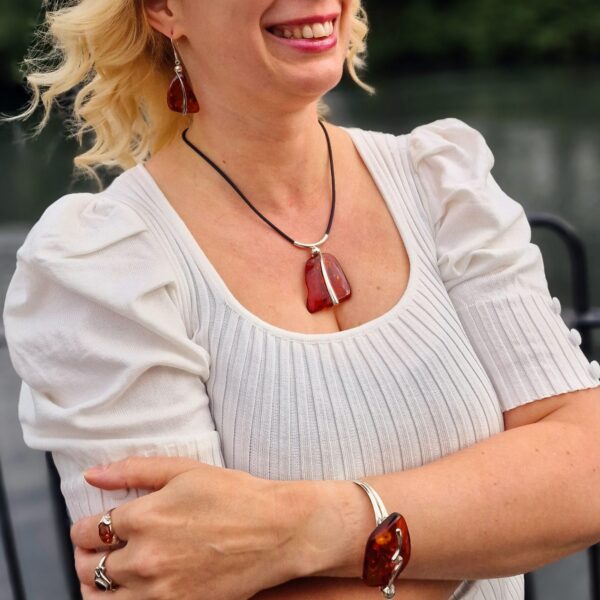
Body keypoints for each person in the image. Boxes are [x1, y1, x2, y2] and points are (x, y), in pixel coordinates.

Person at [3, 0, 600, 598]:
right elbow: (171, 579)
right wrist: (501, 521)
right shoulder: (105, 267)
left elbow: (585, 467)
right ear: (164, 9)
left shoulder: (441, 182)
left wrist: (310, 531)